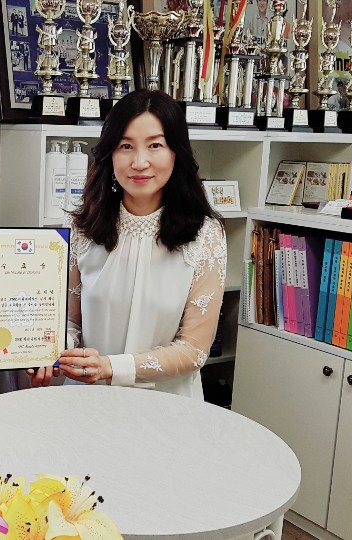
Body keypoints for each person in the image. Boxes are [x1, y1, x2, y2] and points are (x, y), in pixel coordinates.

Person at [46, 89, 227, 397]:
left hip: (166, 405)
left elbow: (194, 350)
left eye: (155, 145)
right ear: (110, 153)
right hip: (89, 397)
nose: (139, 162)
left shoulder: (205, 236)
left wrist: (112, 367)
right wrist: (55, 350)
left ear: (176, 152)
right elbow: (70, 321)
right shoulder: (81, 228)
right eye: (126, 146)